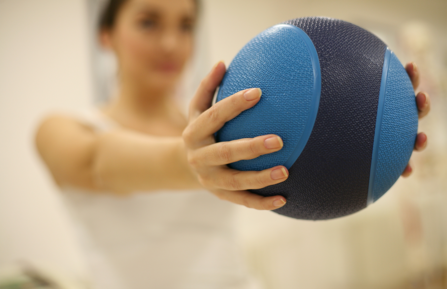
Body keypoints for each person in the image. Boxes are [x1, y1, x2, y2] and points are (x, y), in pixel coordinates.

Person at [34, 0, 431, 288]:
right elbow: (96, 164)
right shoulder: (61, 129)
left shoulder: (231, 127)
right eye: (148, 22)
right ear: (106, 36)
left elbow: (299, 176)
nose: (171, 42)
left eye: (186, 25)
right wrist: (190, 160)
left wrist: (375, 139)